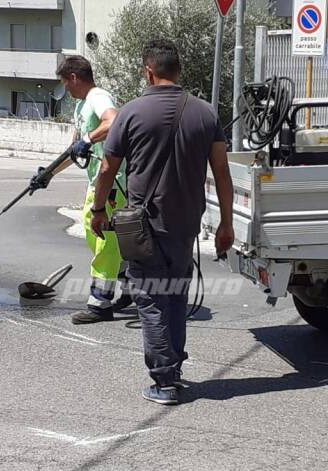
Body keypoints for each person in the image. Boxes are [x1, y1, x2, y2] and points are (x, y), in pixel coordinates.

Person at [90, 39, 236, 406]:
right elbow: (222, 173)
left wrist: (98, 210)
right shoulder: (205, 113)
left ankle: (165, 380)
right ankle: (174, 369)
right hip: (187, 223)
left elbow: (108, 167)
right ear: (179, 70)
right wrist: (227, 224)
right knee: (174, 295)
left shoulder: (132, 113)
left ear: (149, 71)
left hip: (143, 225)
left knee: (151, 300)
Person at [53, 55, 132, 325]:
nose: (65, 88)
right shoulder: (81, 107)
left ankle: (100, 304)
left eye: (64, 82)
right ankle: (130, 284)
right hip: (96, 181)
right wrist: (48, 174)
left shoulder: (98, 96)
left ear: (73, 77)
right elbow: (74, 150)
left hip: (113, 182)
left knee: (104, 242)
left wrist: (88, 138)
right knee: (96, 236)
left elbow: (113, 121)